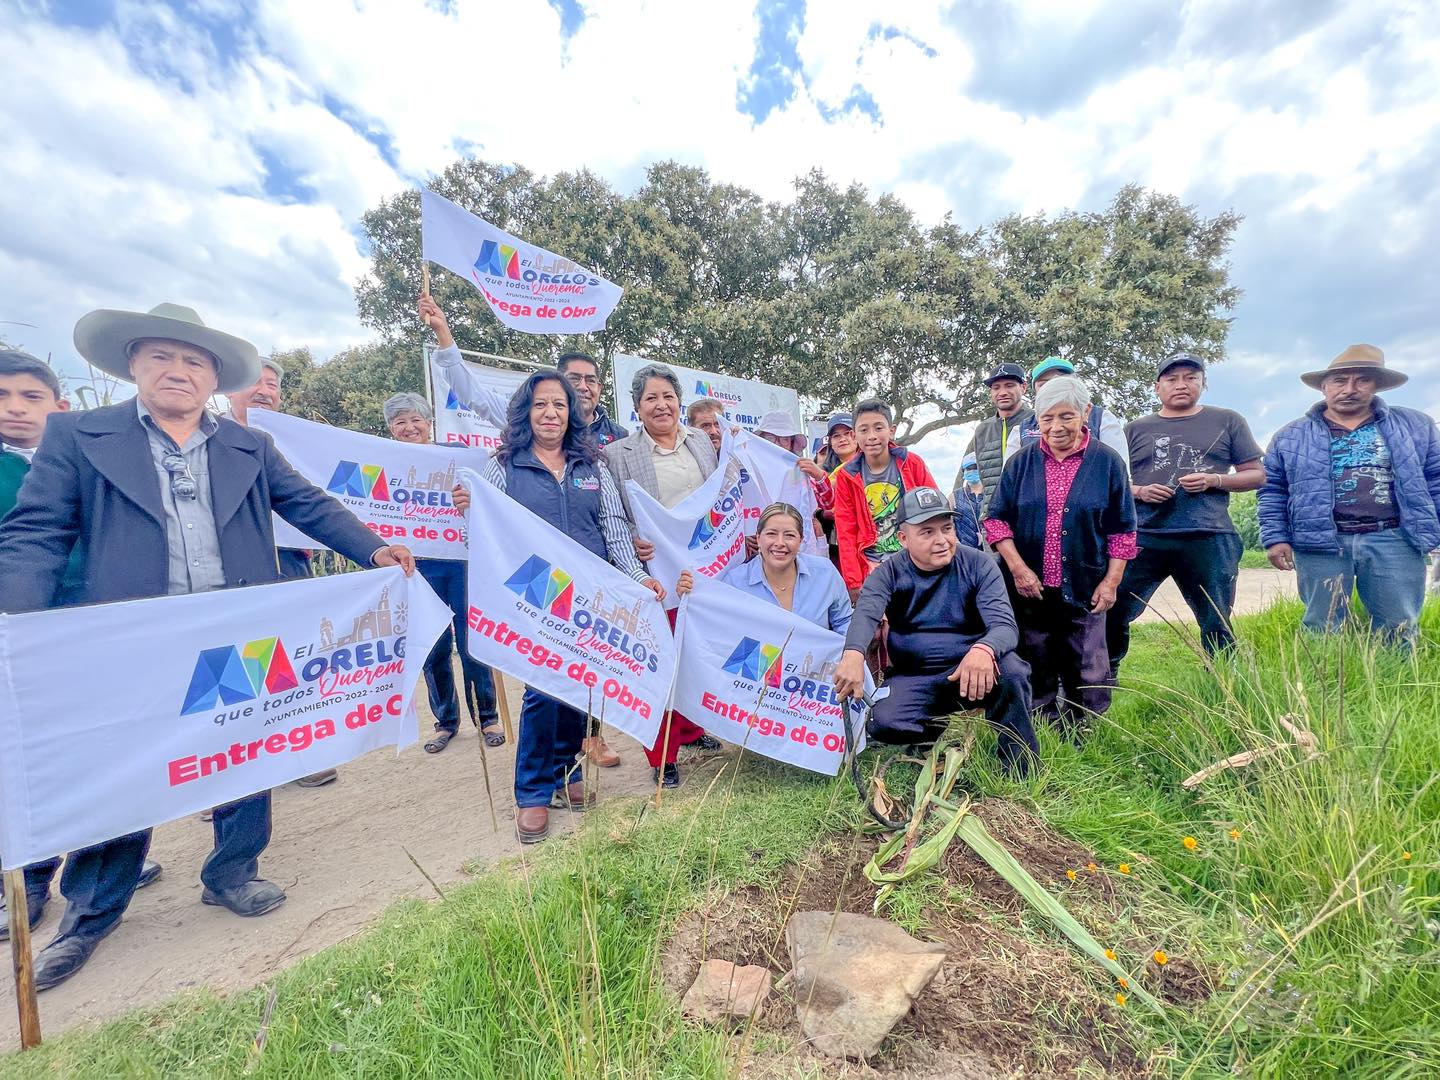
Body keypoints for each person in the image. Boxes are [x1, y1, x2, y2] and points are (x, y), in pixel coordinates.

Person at [0, 302, 416, 991]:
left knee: (246, 752)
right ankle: (93, 913)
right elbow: (36, 534)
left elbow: (307, 505)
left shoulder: (247, 446)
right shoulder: (78, 436)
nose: (177, 371)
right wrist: (17, 620)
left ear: (214, 378)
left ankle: (232, 872)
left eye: (194, 361)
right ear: (132, 364)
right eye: (161, 357)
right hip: (131, 639)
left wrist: (372, 547)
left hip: (237, 634)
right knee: (126, 771)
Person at [453, 372, 665, 842]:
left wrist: (638, 580)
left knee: (583, 688)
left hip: (589, 599)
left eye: (560, 405)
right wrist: (472, 509)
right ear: (526, 412)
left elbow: (613, 531)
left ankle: (566, 772)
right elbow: (484, 536)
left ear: (572, 413)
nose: (551, 413)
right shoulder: (502, 466)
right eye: (541, 404)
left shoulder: (593, 468)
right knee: (543, 689)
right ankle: (531, 793)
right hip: (535, 598)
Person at [0, 351, 165, 941]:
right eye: (3, 397)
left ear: (59, 407)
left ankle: (95, 891)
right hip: (30, 637)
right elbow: (29, 541)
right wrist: (16, 622)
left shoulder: (91, 452)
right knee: (38, 764)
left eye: (30, 397)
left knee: (113, 757)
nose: (16, 409)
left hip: (103, 624)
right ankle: (30, 879)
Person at [833, 487, 1037, 773]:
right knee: (883, 724)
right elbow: (866, 612)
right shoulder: (888, 573)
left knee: (1012, 671)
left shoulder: (979, 564)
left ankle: (1020, 766)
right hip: (915, 673)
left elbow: (1004, 626)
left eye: (947, 528)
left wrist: (984, 648)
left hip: (973, 670)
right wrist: (853, 654)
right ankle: (929, 732)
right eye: (927, 532)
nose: (942, 540)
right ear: (903, 538)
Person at [984, 376, 1136, 743]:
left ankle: (1086, 727)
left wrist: (1111, 581)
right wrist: (1018, 568)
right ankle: (1045, 723)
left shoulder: (1107, 462)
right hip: (1029, 585)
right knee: (1035, 652)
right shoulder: (1020, 463)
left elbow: (1123, 530)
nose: (1055, 427)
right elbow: (996, 520)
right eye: (1046, 418)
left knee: (1087, 660)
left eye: (1066, 416)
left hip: (1087, 580)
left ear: (1085, 413)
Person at [1259, 345, 1440, 645]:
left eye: (1362, 380)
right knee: (1322, 626)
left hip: (1395, 538)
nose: (1350, 389)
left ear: (1377, 385)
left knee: (1399, 626)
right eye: (1340, 381)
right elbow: (1273, 490)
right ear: (1324, 386)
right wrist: (1276, 538)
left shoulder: (1416, 425)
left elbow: (1436, 479)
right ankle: (1322, 688)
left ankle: (1393, 688)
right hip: (1319, 542)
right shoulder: (1290, 435)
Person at [1106, 353, 1264, 675]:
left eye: (1191, 377)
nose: (1181, 385)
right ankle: (1103, 678)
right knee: (1114, 608)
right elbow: (1112, 479)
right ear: (1157, 387)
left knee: (1215, 616)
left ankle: (1223, 683)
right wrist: (1140, 491)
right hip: (1145, 534)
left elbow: (1257, 475)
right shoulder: (1134, 429)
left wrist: (1214, 480)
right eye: (1172, 379)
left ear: (1203, 383)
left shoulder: (1227, 421)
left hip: (1208, 534)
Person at [605, 363, 724, 787]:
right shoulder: (618, 454)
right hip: (657, 574)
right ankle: (662, 756)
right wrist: (633, 540)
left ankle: (691, 731)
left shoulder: (703, 444)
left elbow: (720, 495)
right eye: (650, 398)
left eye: (668, 396)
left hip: (706, 570)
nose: (661, 405)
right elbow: (613, 513)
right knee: (661, 665)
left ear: (679, 402)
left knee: (697, 655)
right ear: (637, 408)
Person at [226, 358, 337, 787]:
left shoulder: (296, 442)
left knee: (290, 659)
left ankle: (298, 757)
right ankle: (229, 775)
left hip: (289, 564)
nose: (263, 391)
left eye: (271, 385)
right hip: (231, 576)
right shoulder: (210, 440)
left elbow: (316, 501)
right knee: (236, 670)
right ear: (228, 390)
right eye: (253, 382)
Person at [382, 390, 502, 753]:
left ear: (428, 422)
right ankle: (446, 721)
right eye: (400, 422)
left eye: (415, 419)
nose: (409, 427)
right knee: (433, 647)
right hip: (415, 566)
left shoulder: (456, 457)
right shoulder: (384, 462)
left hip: (463, 561)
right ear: (390, 429)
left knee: (473, 643)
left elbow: (487, 494)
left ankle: (489, 716)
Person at [675, 501, 852, 633]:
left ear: (801, 540)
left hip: (816, 676)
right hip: (756, 678)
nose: (780, 543)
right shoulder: (735, 582)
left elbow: (845, 623)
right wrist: (691, 597)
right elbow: (713, 628)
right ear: (758, 538)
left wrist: (848, 658)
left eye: (789, 535)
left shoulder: (825, 573)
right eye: (771, 534)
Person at [832, 399, 939, 597]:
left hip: (915, 558)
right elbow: (846, 530)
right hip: (873, 564)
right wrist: (853, 581)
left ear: (891, 430)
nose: (871, 436)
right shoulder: (847, 476)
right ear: (855, 436)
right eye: (864, 430)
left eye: (878, 428)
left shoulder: (912, 463)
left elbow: (935, 511)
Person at [1005, 357, 1129, 469]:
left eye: (1060, 380)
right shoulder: (1022, 429)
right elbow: (1010, 480)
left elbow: (1119, 472)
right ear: (1035, 391)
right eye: (1044, 384)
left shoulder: (1101, 419)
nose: (1053, 387)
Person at [958, 362, 1032, 516]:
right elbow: (965, 468)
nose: (1002, 392)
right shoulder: (983, 430)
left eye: (1009, 385)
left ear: (1023, 387)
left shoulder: (1037, 421)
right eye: (996, 387)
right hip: (993, 519)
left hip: (1030, 517)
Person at [754, 410, 836, 527]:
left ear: (792, 443)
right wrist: (746, 533)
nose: (777, 444)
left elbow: (827, 505)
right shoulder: (750, 470)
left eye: (784, 439)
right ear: (760, 440)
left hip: (794, 539)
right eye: (770, 438)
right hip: (761, 540)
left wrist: (819, 477)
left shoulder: (799, 471)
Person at [558, 351, 628, 448]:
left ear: (599, 389)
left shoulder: (619, 436)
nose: (583, 387)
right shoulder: (544, 430)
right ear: (557, 384)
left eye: (590, 380)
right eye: (574, 378)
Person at [815, 412, 857, 563]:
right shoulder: (824, 473)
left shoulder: (869, 465)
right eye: (836, 436)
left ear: (857, 436)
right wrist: (823, 513)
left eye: (848, 433)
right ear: (831, 442)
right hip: (835, 545)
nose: (843, 439)